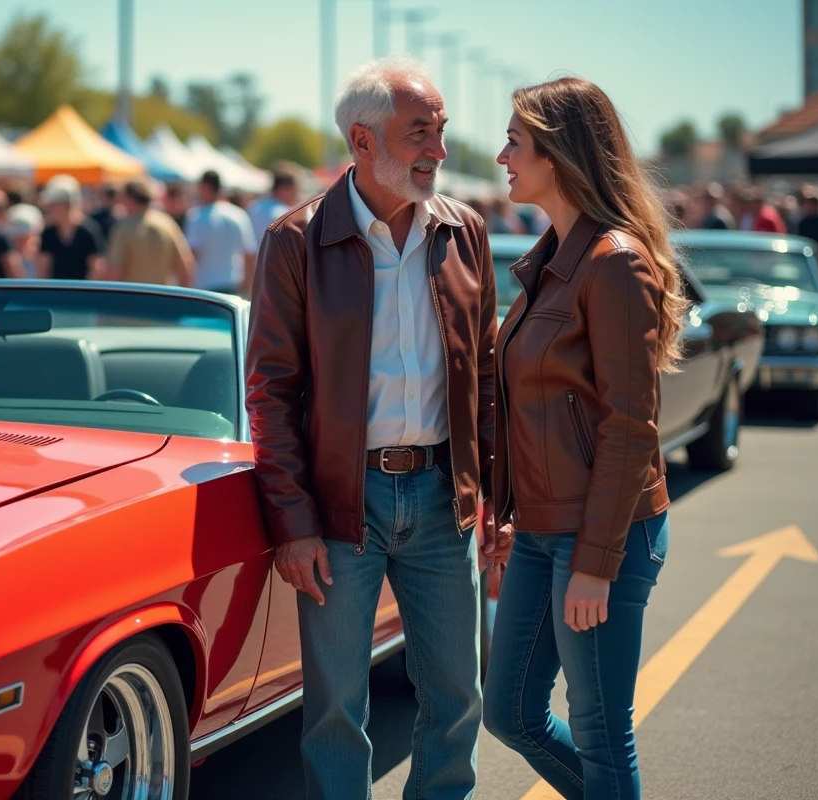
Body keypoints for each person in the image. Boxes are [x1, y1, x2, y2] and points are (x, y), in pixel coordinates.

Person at [245, 56, 507, 800]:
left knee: (457, 700)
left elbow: (486, 378)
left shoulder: (465, 233)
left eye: (441, 131)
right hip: (337, 508)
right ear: (362, 142)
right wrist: (292, 523)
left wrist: (494, 500)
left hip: (440, 501)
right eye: (419, 132)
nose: (440, 150)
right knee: (335, 712)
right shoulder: (294, 242)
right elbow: (271, 392)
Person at [483, 77, 688, 800]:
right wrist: (509, 513)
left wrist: (596, 561)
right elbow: (527, 405)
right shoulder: (550, 262)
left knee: (601, 733)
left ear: (559, 153)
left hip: (604, 535)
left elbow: (630, 427)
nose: (501, 153)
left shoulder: (613, 262)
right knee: (507, 712)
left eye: (515, 140)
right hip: (542, 530)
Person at [104, 178, 194, 286]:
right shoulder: (167, 224)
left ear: (130, 199)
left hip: (132, 298)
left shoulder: (123, 229)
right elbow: (186, 267)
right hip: (163, 298)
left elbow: (115, 272)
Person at [184, 170, 258, 295]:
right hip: (232, 285)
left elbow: (192, 255)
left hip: (204, 288)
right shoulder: (238, 215)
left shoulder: (196, 216)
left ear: (205, 188)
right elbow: (250, 253)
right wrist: (247, 285)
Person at [37, 175, 106, 280]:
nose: (50, 210)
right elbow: (43, 268)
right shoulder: (48, 233)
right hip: (56, 291)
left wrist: (84, 292)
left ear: (67, 205)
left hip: (82, 292)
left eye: (53, 205)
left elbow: (96, 266)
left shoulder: (88, 230)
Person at [246, 169, 301, 237]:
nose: (296, 195)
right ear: (284, 189)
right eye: (294, 190)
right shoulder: (283, 214)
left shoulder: (254, 206)